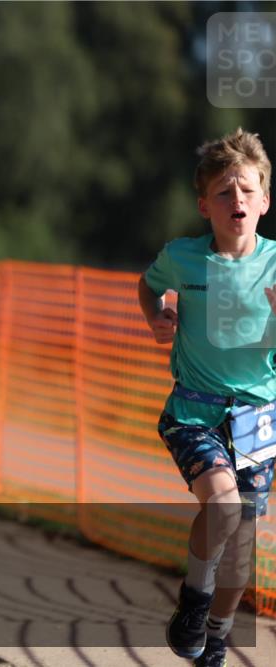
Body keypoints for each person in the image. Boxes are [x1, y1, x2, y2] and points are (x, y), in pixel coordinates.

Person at [138, 128, 275, 667]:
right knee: (219, 505)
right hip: (195, 411)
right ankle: (193, 603)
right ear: (204, 206)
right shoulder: (183, 258)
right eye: (223, 191)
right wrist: (156, 317)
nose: (235, 200)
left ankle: (214, 640)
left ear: (265, 200)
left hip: (258, 420)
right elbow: (147, 286)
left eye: (246, 189)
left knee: (241, 547)